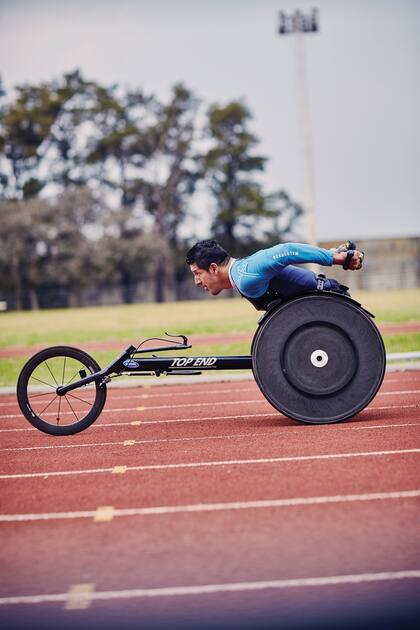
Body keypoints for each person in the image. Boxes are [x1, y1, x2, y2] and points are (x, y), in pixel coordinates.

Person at [186, 239, 364, 310]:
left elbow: (286, 251)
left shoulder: (245, 275)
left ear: (214, 268)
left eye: (197, 273)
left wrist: (338, 258)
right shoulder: (241, 273)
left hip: (331, 307)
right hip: (318, 308)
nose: (196, 282)